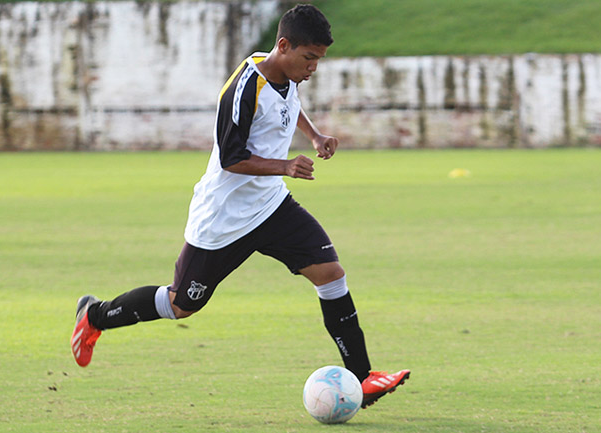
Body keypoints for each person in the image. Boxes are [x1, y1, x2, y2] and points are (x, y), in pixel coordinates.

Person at [70, 4, 409, 409]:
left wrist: (315, 136)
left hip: (270, 206)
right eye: (309, 58)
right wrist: (285, 165)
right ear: (284, 46)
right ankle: (95, 316)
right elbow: (232, 157)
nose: (313, 68)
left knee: (331, 274)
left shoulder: (285, 72)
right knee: (182, 304)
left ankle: (362, 379)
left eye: (318, 60)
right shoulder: (244, 88)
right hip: (224, 218)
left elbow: (288, 104)